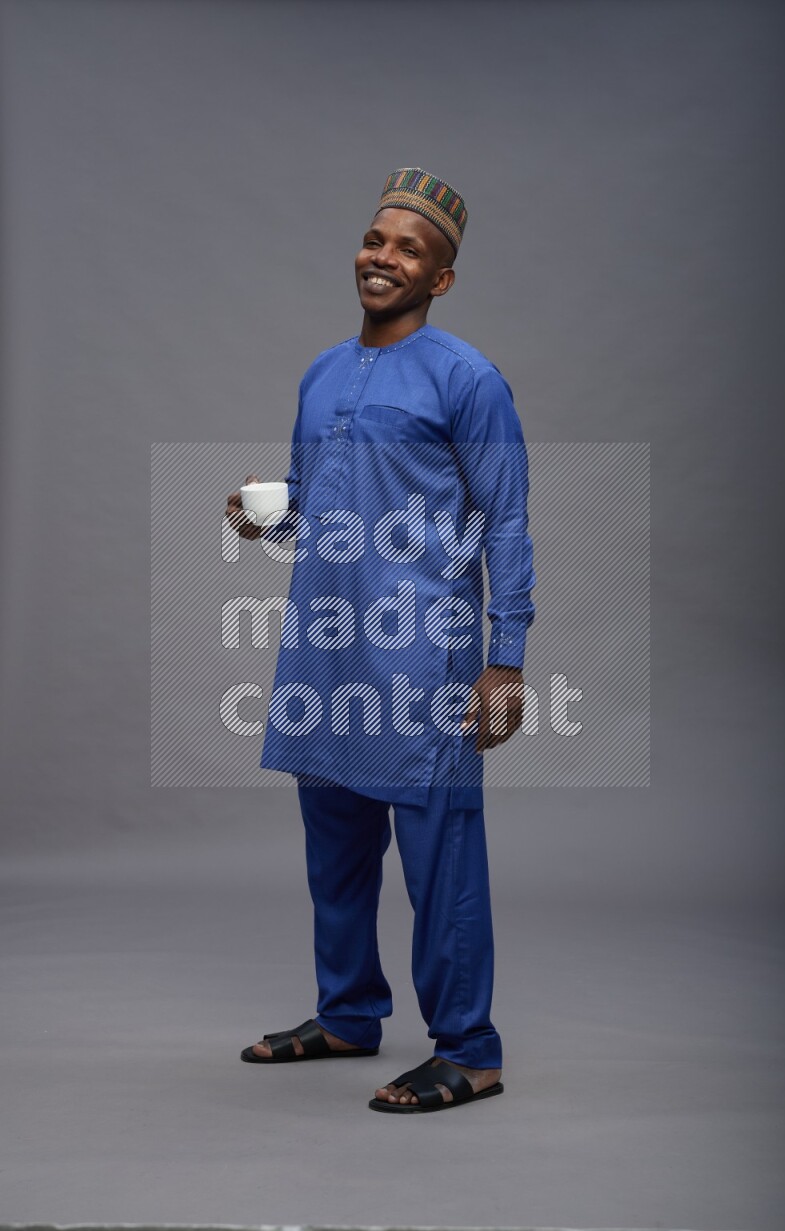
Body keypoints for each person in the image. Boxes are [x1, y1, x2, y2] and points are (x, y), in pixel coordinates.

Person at [226, 168, 535, 1113]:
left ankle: (470, 1048)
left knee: (441, 855)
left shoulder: (467, 378)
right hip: (327, 650)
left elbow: (507, 522)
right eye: (375, 239)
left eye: (409, 249)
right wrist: (264, 524)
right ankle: (350, 1012)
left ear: (439, 279)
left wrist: (505, 657)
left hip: (423, 657)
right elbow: (315, 513)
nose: (382, 258)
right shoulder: (323, 373)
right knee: (338, 851)